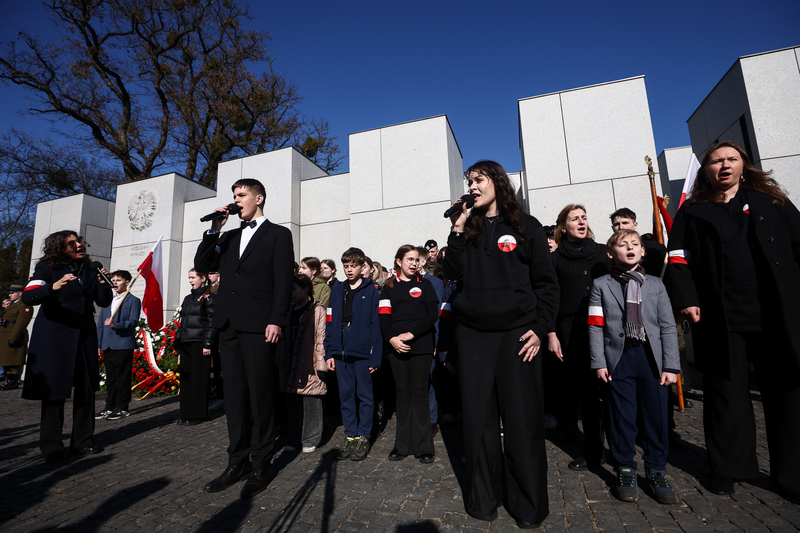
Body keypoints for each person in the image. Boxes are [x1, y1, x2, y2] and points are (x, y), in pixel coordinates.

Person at [665, 141, 800, 503]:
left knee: (787, 393)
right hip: (721, 315)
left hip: (775, 313)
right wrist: (687, 298)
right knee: (725, 394)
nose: (724, 165)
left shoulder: (771, 201)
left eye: (731, 159)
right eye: (716, 161)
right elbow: (677, 257)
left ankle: (792, 475)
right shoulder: (693, 210)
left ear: (743, 165)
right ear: (706, 170)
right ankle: (727, 468)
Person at [442, 160, 558, 528]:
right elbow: (452, 273)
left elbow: (546, 284)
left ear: (497, 182)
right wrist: (457, 229)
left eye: (479, 179)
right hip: (473, 337)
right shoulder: (466, 229)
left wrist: (540, 328)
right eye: (469, 182)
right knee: (478, 423)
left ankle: (528, 505)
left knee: (523, 423)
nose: (472, 187)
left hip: (518, 336)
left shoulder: (527, 225)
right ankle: (484, 500)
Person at [195, 178, 294, 499]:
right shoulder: (228, 236)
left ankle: (261, 463)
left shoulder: (278, 234)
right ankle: (237, 461)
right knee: (234, 397)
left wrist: (277, 319)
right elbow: (202, 265)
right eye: (234, 196)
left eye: (241, 195)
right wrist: (214, 229)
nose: (236, 200)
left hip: (259, 324)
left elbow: (283, 281)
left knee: (260, 394)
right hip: (228, 325)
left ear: (258, 198)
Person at [589, 229, 681, 504]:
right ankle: (625, 468)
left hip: (652, 359)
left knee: (656, 417)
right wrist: (599, 362)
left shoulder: (656, 284)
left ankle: (656, 469)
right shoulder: (601, 285)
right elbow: (595, 327)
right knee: (621, 416)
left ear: (642, 251)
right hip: (619, 359)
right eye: (622, 244)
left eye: (635, 244)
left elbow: (667, 326)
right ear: (610, 253)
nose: (630, 248)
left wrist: (671, 365)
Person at [21, 231, 113, 463]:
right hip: (55, 338)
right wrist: (53, 287)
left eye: (79, 241)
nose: (79, 245)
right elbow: (28, 296)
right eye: (72, 243)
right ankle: (51, 446)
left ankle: (83, 441)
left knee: (86, 390)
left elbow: (103, 301)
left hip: (84, 337)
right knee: (54, 392)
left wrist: (103, 284)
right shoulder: (46, 267)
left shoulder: (90, 269)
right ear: (59, 248)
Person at [548, 204, 609, 470]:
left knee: (611, 390)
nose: (582, 222)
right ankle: (593, 451)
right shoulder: (554, 259)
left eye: (584, 217)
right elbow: (550, 298)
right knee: (586, 391)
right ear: (563, 227)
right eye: (575, 219)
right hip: (571, 327)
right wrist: (551, 332)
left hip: (605, 326)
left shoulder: (603, 252)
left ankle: (620, 450)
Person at [380, 245, 439, 463]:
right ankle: (402, 445)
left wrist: (412, 334)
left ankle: (424, 447)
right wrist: (392, 339)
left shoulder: (426, 285)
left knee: (420, 393)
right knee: (402, 393)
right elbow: (383, 317)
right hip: (396, 346)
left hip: (421, 345)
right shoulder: (388, 286)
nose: (414, 263)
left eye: (416, 260)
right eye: (409, 259)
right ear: (399, 261)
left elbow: (432, 315)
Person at [324, 247, 382, 462]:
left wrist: (375, 356)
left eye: (353, 266)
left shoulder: (371, 290)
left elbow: (375, 325)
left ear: (362, 267)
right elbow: (330, 321)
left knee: (364, 395)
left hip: (362, 351)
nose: (349, 270)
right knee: (346, 395)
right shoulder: (338, 289)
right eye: (346, 266)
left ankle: (364, 436)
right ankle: (350, 434)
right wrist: (329, 351)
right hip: (340, 351)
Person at [277, 275, 327, 454]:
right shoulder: (290, 309)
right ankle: (294, 438)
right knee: (293, 402)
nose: (291, 293)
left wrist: (319, 362)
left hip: (309, 360)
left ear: (306, 289)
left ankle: (310, 438)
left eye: (294, 289)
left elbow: (321, 335)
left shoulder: (317, 309)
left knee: (311, 400)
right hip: (291, 360)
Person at [96, 270, 141, 420]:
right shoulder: (107, 300)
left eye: (118, 280)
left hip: (123, 344)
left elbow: (133, 321)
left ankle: (122, 406)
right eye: (113, 280)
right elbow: (100, 325)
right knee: (111, 378)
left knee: (122, 377)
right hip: (108, 345)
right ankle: (110, 406)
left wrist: (116, 325)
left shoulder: (133, 300)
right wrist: (99, 344)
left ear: (127, 282)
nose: (115, 282)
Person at [174, 269, 217, 426]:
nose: (190, 280)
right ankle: (185, 412)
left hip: (200, 343)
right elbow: (183, 321)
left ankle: (198, 414)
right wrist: (178, 340)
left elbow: (212, 322)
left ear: (203, 278)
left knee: (199, 379)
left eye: (193, 277)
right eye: (189, 277)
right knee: (186, 379)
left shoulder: (209, 298)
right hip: (186, 343)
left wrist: (208, 343)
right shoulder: (188, 298)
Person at [610, 208, 667, 277]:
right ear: (613, 228)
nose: (621, 227)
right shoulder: (609, 251)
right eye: (616, 224)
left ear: (635, 225)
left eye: (625, 223)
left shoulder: (655, 248)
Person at [0, 285, 33, 390]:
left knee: (14, 360)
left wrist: (14, 337)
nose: (9, 295)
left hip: (14, 335)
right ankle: (10, 380)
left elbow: (21, 323)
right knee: (6, 360)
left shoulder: (24, 305)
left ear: (20, 293)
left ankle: (13, 381)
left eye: (12, 293)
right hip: (5, 335)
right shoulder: (13, 304)